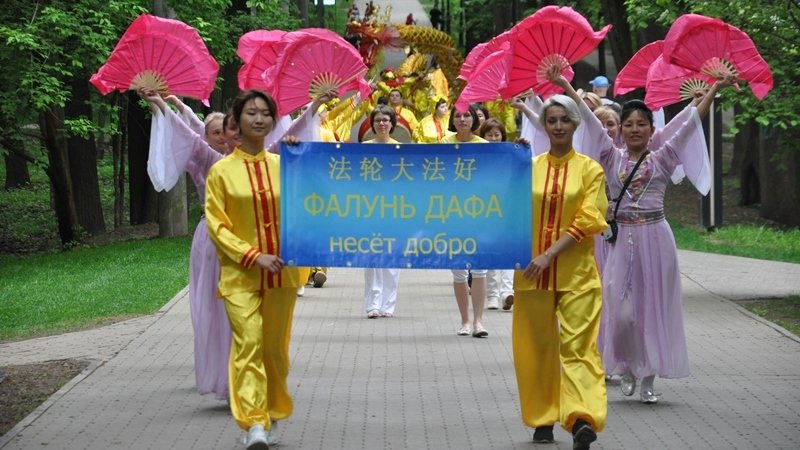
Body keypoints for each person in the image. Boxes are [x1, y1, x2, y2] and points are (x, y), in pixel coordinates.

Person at [550, 68, 735, 404]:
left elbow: (690, 124)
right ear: (621, 129)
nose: (635, 129)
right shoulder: (610, 156)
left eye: (641, 125)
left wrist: (713, 91)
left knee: (653, 308)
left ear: (652, 130)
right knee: (621, 311)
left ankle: (648, 375)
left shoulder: (663, 157)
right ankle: (628, 366)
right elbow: (590, 122)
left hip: (656, 238)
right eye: (629, 124)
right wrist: (564, 84)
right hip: (621, 241)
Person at [205, 89, 318, 449]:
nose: (259, 119)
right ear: (237, 121)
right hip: (240, 275)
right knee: (248, 342)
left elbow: (315, 202)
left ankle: (271, 412)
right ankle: (253, 422)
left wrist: (302, 157)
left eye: (266, 113)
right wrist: (253, 256)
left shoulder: (285, 163)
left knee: (274, 350)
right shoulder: (221, 172)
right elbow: (217, 226)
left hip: (282, 274)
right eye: (251, 113)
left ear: (273, 120)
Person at [512, 91, 608, 449]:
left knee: (579, 347)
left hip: (577, 273)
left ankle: (582, 418)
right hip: (530, 274)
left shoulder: (590, 169)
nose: (557, 126)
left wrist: (550, 254)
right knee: (536, 348)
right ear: (543, 124)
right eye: (550, 120)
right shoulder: (529, 167)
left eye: (563, 120)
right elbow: (502, 202)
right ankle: (542, 418)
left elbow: (590, 217)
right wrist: (510, 159)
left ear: (574, 123)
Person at [138, 89, 232, 403]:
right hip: (211, 239)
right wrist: (163, 104)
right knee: (210, 306)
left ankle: (236, 373)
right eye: (215, 133)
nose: (221, 136)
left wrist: (175, 103)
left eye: (225, 131)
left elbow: (192, 131)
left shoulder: (241, 160)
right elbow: (188, 134)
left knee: (235, 309)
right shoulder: (205, 159)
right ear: (208, 137)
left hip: (239, 240)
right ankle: (216, 372)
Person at [441, 105, 490, 337]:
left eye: (467, 115)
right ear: (452, 119)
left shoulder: (486, 147)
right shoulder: (443, 143)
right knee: (458, 272)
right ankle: (465, 321)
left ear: (474, 119)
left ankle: (479, 321)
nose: (462, 119)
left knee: (480, 269)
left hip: (480, 214)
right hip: (451, 215)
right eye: (458, 116)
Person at [363, 105, 402, 318]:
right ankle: (373, 305)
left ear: (392, 124)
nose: (382, 123)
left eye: (386, 120)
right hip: (370, 210)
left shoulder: (401, 150)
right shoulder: (364, 148)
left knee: (392, 260)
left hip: (395, 211)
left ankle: (388, 305)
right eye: (378, 120)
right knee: (372, 259)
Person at [478, 118, 515, 312]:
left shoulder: (511, 155)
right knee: (490, 252)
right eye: (489, 135)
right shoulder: (475, 157)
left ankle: (507, 292)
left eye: (496, 135)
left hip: (507, 210)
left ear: (502, 136)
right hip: (484, 211)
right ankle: (492, 294)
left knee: (508, 252)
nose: (493, 138)